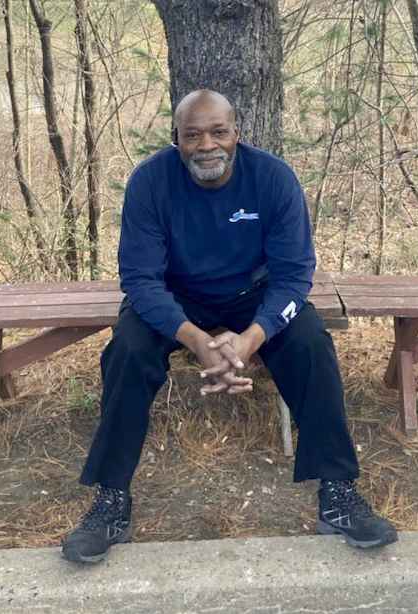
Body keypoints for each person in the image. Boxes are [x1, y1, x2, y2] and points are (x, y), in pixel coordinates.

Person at [61, 89, 397, 564]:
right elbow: (139, 279)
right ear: (175, 138)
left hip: (253, 296)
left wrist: (250, 338)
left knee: (311, 344)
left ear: (237, 133)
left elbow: (294, 275)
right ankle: (111, 501)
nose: (207, 145)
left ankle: (338, 492)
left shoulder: (274, 179)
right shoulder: (150, 182)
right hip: (177, 297)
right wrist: (195, 339)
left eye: (218, 131)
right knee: (127, 350)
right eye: (192, 134)